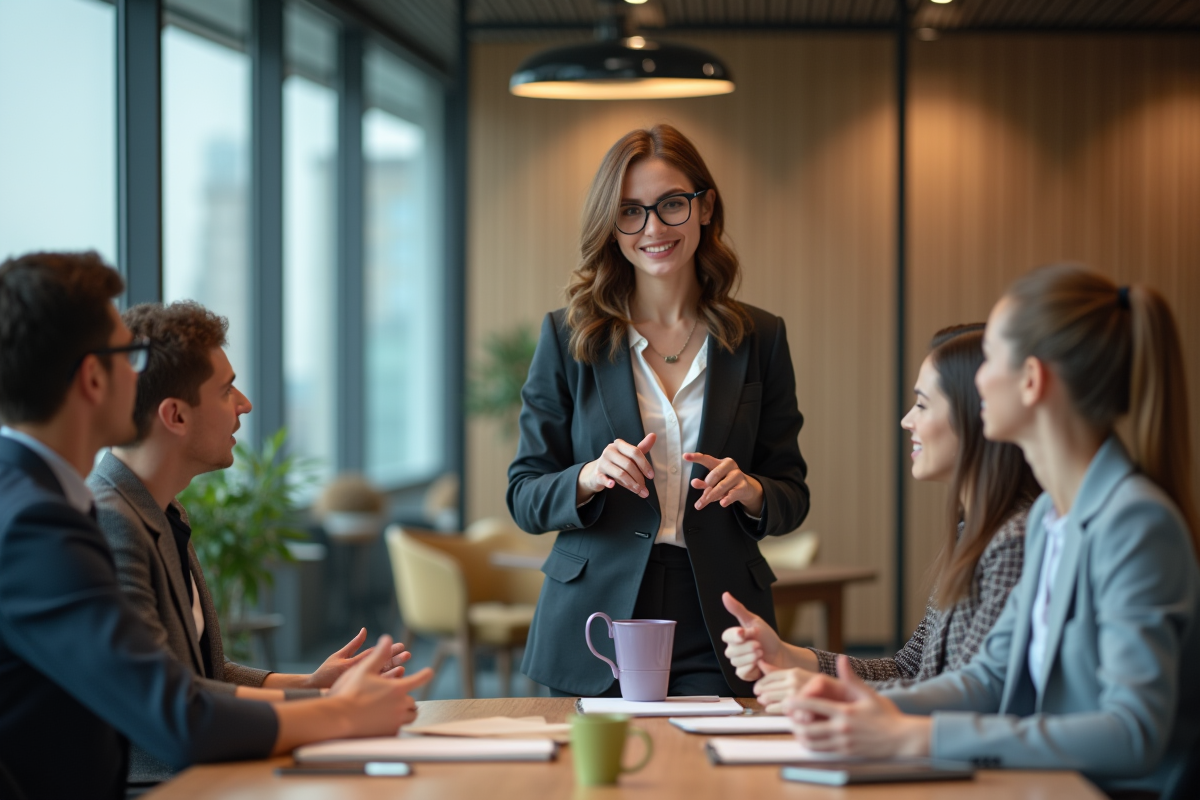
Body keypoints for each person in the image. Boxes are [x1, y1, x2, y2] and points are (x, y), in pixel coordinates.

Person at [0, 251, 432, 800]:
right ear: (92, 377)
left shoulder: (42, 500)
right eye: (128, 357)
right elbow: (176, 717)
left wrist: (314, 694)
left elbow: (177, 683)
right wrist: (339, 713)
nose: (140, 378)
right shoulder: (40, 524)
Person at [785, 264, 1200, 797]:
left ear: (1031, 381)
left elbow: (1132, 733)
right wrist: (865, 704)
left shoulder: (1134, 522)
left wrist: (916, 737)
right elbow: (987, 678)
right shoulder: (1054, 517)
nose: (977, 377)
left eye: (992, 359)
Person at [507, 124, 810, 698]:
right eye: (630, 211)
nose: (653, 229)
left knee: (712, 779)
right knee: (596, 785)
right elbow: (524, 494)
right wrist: (589, 477)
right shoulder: (569, 336)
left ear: (705, 207)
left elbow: (791, 493)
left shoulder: (760, 338)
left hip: (716, 614)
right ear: (611, 225)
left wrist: (752, 490)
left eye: (671, 204)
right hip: (596, 616)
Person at [87, 300, 412, 785]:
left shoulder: (163, 509)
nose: (245, 403)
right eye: (225, 390)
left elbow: (200, 672)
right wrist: (330, 709)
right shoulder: (110, 523)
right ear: (174, 415)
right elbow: (171, 706)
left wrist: (309, 684)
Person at [722, 324, 1039, 711]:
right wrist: (789, 656)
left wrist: (824, 690)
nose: (907, 421)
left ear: (978, 414)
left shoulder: (1015, 541)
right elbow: (911, 671)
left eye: (922, 404)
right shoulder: (972, 532)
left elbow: (968, 697)